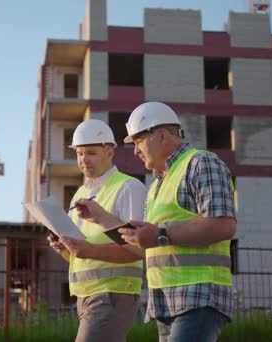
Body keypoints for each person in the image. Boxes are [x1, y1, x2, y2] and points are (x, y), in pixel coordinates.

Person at [74, 102, 236, 342]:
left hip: (199, 294)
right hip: (166, 301)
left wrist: (161, 234)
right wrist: (101, 218)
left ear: (161, 135)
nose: (136, 151)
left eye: (138, 141)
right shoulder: (156, 186)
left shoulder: (201, 163)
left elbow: (224, 225)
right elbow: (141, 245)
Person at [46, 119, 147, 342]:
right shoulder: (80, 193)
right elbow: (82, 254)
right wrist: (64, 249)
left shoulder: (129, 188)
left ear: (110, 151)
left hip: (113, 292)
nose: (83, 160)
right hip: (84, 295)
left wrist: (89, 251)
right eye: (79, 154)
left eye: (90, 153)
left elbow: (139, 249)